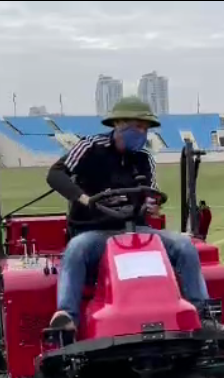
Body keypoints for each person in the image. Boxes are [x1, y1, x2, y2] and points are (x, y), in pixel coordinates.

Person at [45, 96, 213, 333]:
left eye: (145, 128)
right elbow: (55, 174)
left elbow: (151, 194)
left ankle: (201, 313)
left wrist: (151, 204)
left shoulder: (144, 158)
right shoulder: (90, 147)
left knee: (184, 246)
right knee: (76, 249)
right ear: (119, 124)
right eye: (138, 127)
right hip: (96, 231)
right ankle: (67, 316)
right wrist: (83, 199)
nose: (142, 133)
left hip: (136, 231)